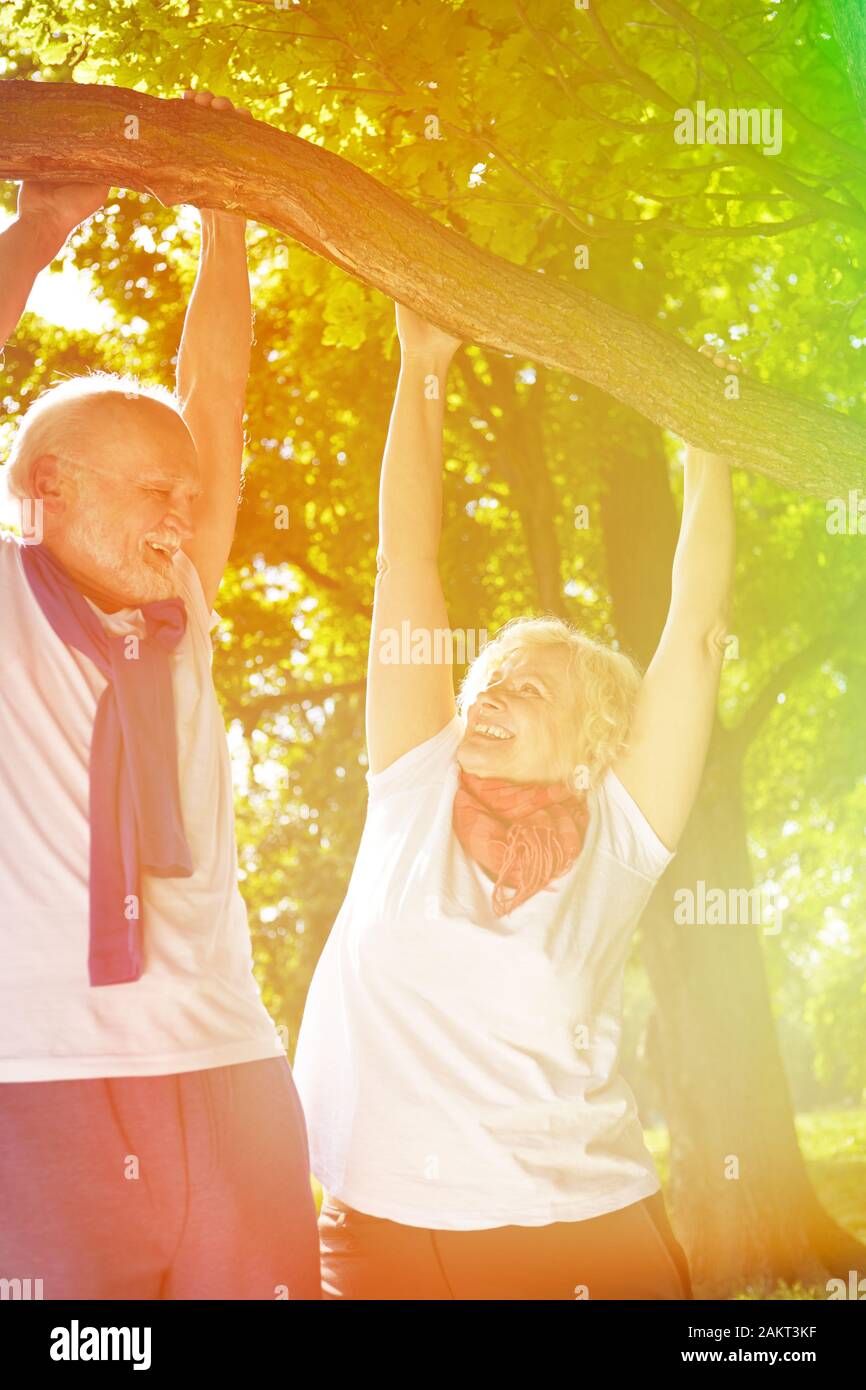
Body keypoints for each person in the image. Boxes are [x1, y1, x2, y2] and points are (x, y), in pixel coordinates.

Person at [292, 302, 738, 1300]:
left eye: (530, 690)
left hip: (579, 1235)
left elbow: (696, 633)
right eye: (488, 680)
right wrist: (421, 365)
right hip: (385, 1234)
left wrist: (707, 446)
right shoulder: (413, 784)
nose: (491, 694)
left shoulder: (618, 836)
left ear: (589, 751)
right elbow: (405, 562)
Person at [0, 89, 320, 1300]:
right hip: (37, 1076)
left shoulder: (183, 600)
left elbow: (218, 401)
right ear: (49, 490)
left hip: (226, 1063)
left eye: (186, 495)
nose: (183, 511)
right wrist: (36, 235)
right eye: (150, 491)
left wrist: (225, 219)